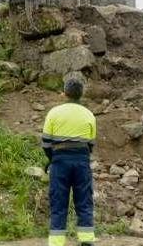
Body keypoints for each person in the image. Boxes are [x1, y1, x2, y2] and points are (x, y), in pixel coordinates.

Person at [42, 77, 97, 246]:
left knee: (58, 203)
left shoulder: (54, 113)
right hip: (82, 161)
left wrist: (52, 160)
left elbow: (45, 143)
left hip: (59, 162)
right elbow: (91, 144)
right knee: (84, 202)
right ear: (81, 95)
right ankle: (87, 241)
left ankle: (57, 243)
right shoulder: (89, 114)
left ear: (64, 93)